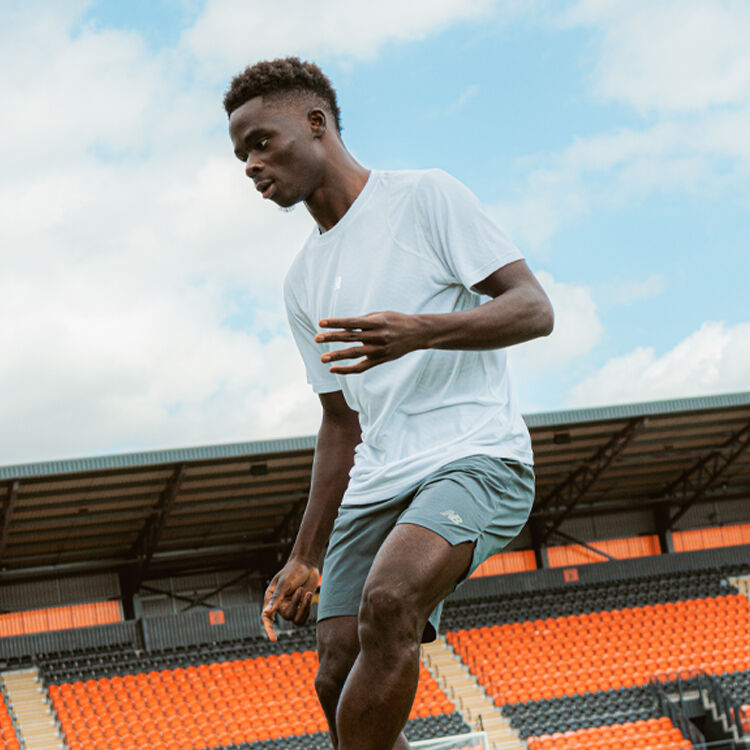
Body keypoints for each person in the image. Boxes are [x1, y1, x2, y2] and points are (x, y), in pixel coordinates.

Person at [224, 57, 553, 750]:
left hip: (474, 458)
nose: (250, 165)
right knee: (334, 673)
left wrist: (420, 331)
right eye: (241, 155)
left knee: (390, 599)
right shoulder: (301, 280)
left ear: (317, 124)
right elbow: (339, 422)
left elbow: (533, 308)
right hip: (377, 481)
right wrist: (304, 554)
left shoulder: (424, 198)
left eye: (262, 142)